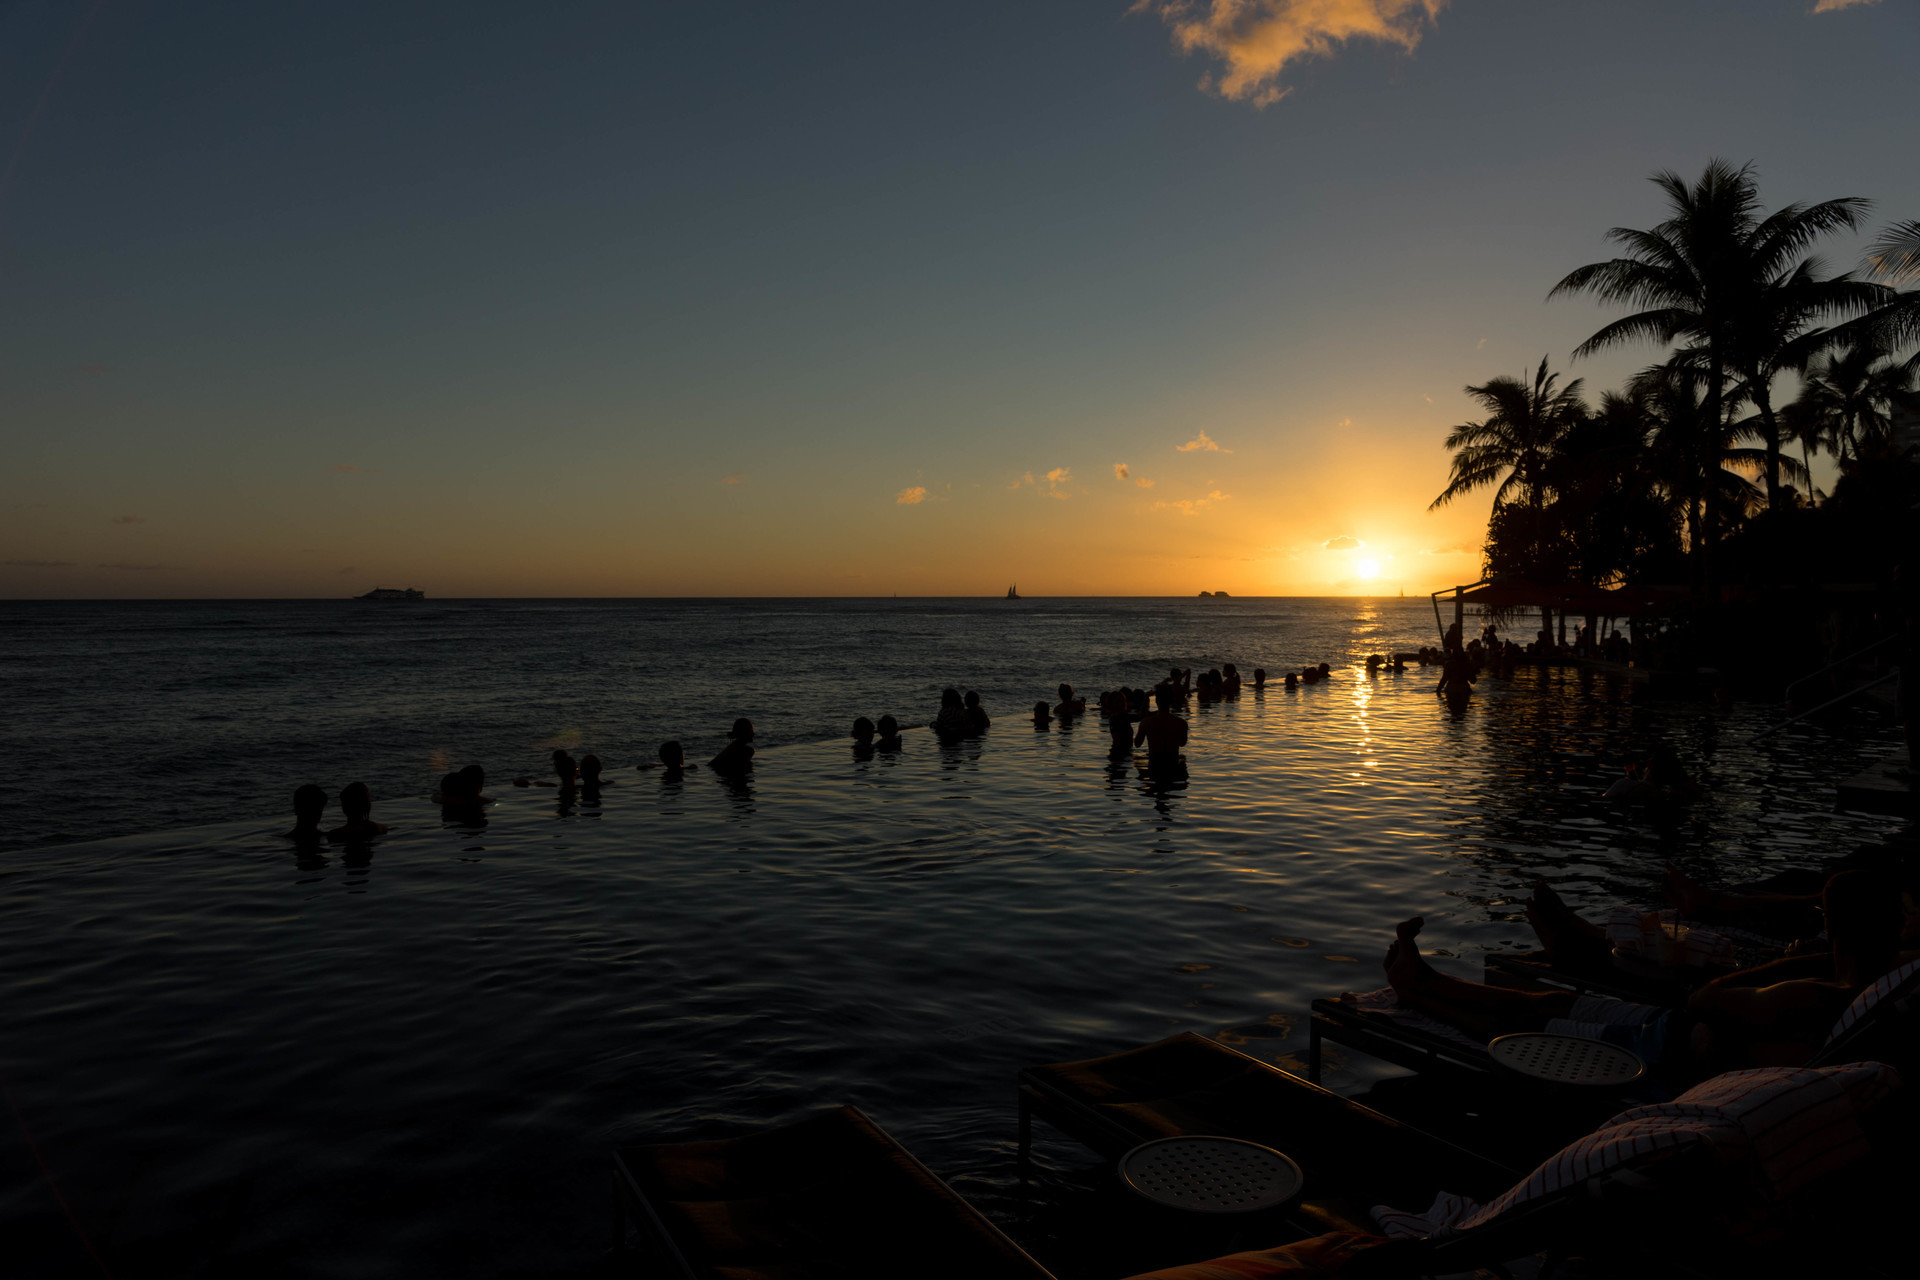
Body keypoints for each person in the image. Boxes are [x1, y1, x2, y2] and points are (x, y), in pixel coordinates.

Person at [1382, 871, 1904, 1081]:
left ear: (1833, 930)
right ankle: (1428, 978)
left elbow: (1707, 997)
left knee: (1528, 1027)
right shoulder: (1883, 995)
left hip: (1654, 1052)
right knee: (1547, 1004)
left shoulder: (1814, 991)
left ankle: (1421, 992)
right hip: (1670, 1030)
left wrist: (1801, 959)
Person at [1134, 687, 1189, 768]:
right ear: (1172, 700)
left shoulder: (1146, 722)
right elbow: (1182, 743)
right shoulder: (1181, 723)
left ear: (1156, 701)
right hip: (1172, 764)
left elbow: (1137, 744)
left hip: (1154, 764)